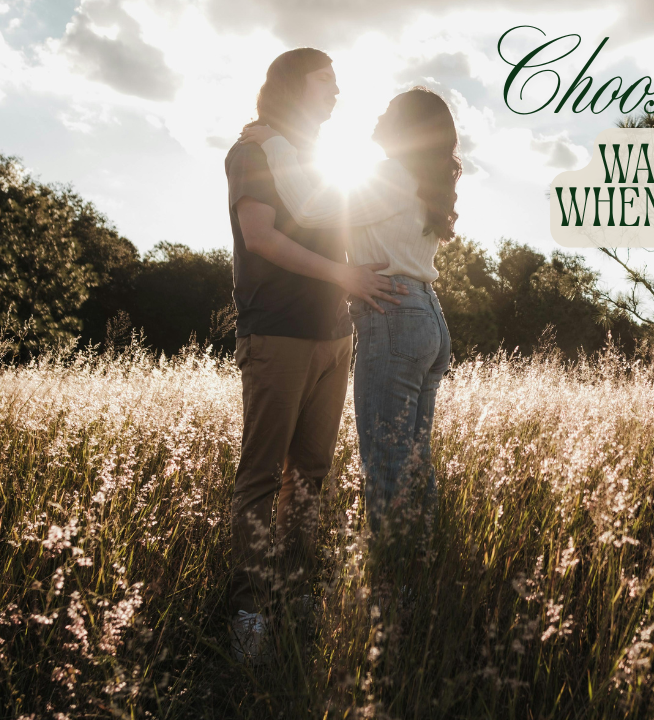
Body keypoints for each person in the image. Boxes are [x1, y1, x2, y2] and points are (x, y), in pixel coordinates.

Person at [224, 48, 409, 665]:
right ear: (292, 86)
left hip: (336, 333)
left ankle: (296, 594)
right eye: (326, 80)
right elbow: (261, 237)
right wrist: (344, 275)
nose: (337, 91)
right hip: (277, 330)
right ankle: (251, 610)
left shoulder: (321, 161)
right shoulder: (252, 151)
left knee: (311, 474)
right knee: (260, 475)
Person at [239, 87, 459, 601]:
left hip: (393, 318)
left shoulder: (389, 175)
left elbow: (309, 207)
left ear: (405, 127)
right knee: (414, 461)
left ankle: (393, 594)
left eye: (387, 110)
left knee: (385, 463)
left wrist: (272, 144)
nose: (376, 113)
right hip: (428, 317)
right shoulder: (421, 180)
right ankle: (421, 578)